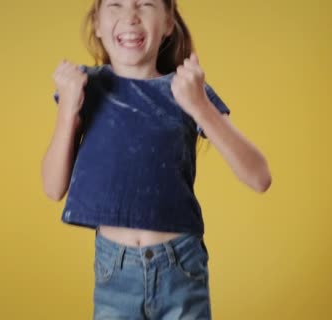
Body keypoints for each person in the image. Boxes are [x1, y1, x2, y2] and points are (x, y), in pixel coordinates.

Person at [41, 0, 272, 318]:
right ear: (96, 22)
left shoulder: (187, 89)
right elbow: (53, 188)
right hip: (114, 272)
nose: (130, 16)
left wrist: (200, 106)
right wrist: (68, 108)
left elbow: (259, 177)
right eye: (116, 5)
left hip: (181, 267)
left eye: (145, 4)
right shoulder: (84, 89)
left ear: (167, 23)